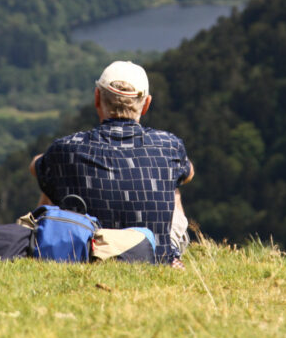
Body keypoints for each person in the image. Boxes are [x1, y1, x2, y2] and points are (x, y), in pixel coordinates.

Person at [30, 61, 194, 265]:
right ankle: (172, 254)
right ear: (146, 104)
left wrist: (44, 160)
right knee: (173, 189)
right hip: (153, 258)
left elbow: (35, 168)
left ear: (97, 98)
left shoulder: (65, 148)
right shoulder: (169, 145)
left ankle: (41, 247)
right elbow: (188, 174)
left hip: (86, 254)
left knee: (53, 178)